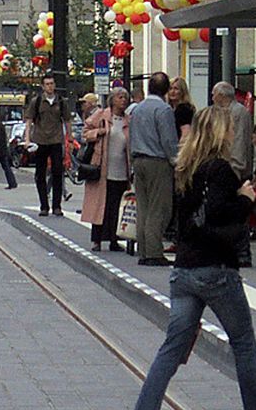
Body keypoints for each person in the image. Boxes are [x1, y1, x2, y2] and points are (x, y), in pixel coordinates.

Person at [125, 103, 256, 410]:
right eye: (229, 127)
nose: (233, 132)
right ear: (220, 132)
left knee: (171, 347)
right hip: (216, 270)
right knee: (244, 346)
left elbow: (189, 217)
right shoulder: (221, 170)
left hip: (184, 271)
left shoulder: (185, 168)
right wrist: (246, 199)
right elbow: (216, 215)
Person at [129, 72, 181, 266]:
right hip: (157, 162)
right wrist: (176, 162)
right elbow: (168, 140)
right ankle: (153, 252)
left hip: (138, 160)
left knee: (143, 207)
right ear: (166, 90)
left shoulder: (137, 109)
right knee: (159, 208)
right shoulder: (164, 110)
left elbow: (131, 137)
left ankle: (143, 250)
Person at [81, 87, 133, 251]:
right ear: (112, 99)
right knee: (100, 205)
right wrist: (99, 132)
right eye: (119, 97)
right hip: (102, 167)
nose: (123, 100)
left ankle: (113, 240)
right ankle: (97, 240)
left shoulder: (128, 120)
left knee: (116, 206)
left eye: (125, 97)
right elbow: (85, 132)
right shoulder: (102, 115)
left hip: (121, 169)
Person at [24, 75, 74, 216]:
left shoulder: (61, 102)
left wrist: (70, 138)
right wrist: (27, 139)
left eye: (52, 83)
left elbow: (67, 120)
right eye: (47, 84)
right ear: (43, 86)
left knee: (58, 172)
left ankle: (56, 206)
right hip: (40, 141)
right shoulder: (37, 101)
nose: (50, 86)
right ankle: (44, 206)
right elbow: (29, 120)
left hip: (56, 141)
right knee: (40, 174)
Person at [212, 82, 255, 177]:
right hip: (227, 166)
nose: (213, 98)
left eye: (214, 94)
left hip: (235, 168)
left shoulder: (239, 112)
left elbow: (240, 141)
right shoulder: (224, 111)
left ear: (221, 95)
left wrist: (236, 167)